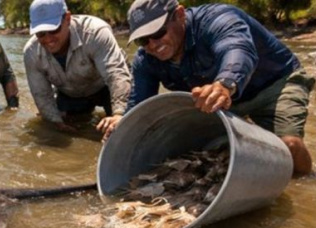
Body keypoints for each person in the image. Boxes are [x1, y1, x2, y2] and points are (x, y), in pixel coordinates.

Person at [105, 0, 314, 176]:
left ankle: (305, 185)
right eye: (143, 40)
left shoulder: (218, 19)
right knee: (202, 155)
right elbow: (140, 104)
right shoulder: (146, 60)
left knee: (289, 146)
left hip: (274, 84)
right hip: (222, 101)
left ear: (179, 15)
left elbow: (237, 48)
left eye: (158, 33)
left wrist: (225, 84)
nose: (152, 44)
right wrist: (122, 123)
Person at [24, 0, 131, 133]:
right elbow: (42, 95)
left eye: (53, 29)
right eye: (40, 33)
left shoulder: (95, 32)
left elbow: (116, 74)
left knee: (126, 125)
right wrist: (56, 122)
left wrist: (119, 114)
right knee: (62, 128)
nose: (48, 39)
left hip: (105, 86)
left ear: (67, 18)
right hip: (71, 93)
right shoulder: (31, 52)